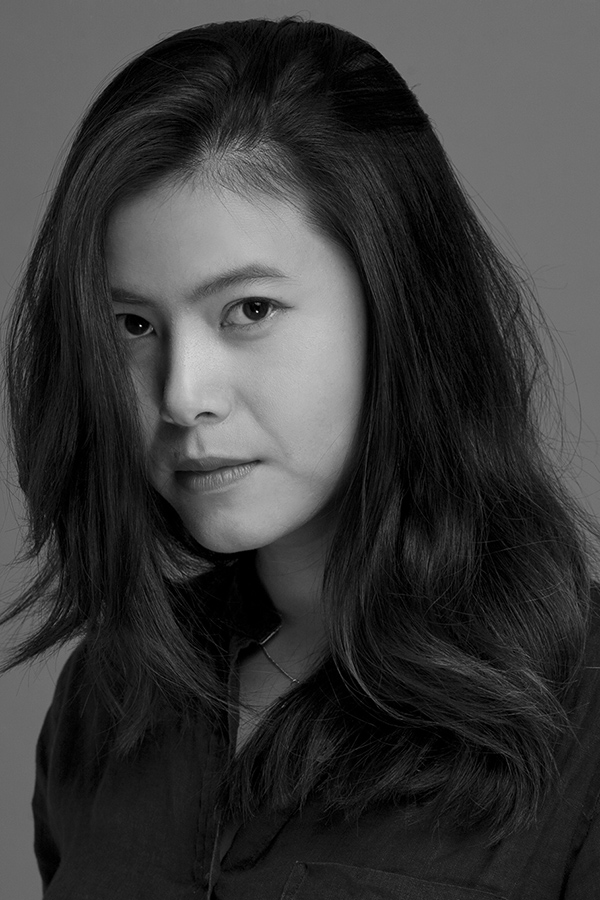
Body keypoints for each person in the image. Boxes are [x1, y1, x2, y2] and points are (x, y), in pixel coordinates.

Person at [2, 17, 599, 899]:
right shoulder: (108, 696)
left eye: (248, 310)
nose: (181, 396)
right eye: (133, 325)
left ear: (400, 304)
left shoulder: (579, 717)